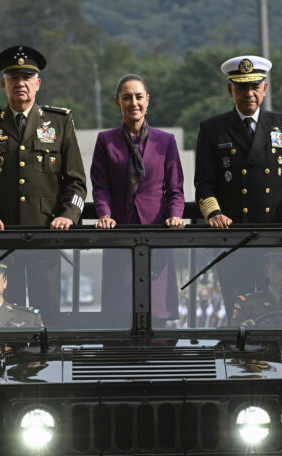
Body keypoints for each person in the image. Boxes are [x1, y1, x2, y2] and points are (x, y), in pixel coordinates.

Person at [0, 45, 87, 321]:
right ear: (3, 84)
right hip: (2, 243)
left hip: (45, 240)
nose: (20, 83)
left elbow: (77, 183)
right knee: (8, 317)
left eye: (27, 78)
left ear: (38, 84)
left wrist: (68, 215)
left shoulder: (59, 123)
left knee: (50, 317)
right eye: (14, 78)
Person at [194, 55, 282, 320]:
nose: (248, 94)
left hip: (277, 237)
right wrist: (214, 214)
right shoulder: (213, 129)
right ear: (230, 90)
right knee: (241, 315)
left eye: (254, 87)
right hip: (236, 238)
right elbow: (203, 184)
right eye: (241, 88)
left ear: (265, 89)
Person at [90, 73, 185, 322]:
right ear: (117, 102)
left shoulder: (166, 141)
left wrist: (175, 216)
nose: (134, 103)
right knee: (119, 310)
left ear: (148, 100)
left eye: (139, 97)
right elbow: (100, 187)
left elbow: (175, 189)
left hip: (157, 236)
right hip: (119, 234)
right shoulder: (106, 141)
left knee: (157, 311)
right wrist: (104, 214)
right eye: (127, 97)